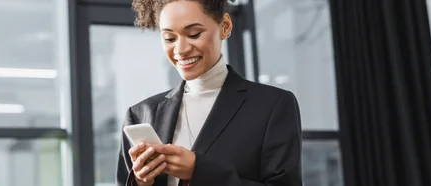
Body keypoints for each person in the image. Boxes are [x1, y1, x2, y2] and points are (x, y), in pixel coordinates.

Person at [116, 0, 302, 185]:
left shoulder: (272, 106)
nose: (180, 49)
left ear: (225, 26)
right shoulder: (141, 114)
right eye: (170, 39)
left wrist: (199, 171)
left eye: (194, 34)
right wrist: (140, 182)